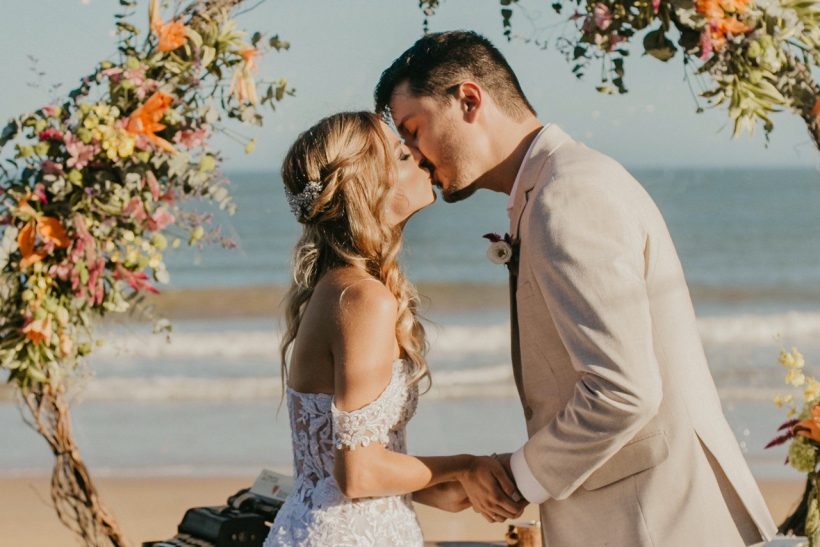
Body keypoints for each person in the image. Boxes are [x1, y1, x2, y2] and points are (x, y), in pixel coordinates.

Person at [374, 31, 778, 546]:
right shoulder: (554, 186)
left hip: (657, 520)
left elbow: (622, 391)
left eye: (414, 130)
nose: (414, 155)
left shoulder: (568, 195)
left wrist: (518, 478)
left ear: (469, 100)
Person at [264, 111, 526, 547]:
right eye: (404, 156)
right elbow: (358, 473)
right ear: (372, 185)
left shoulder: (338, 289)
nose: (422, 160)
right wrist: (464, 465)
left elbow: (344, 465)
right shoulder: (362, 300)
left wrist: (437, 487)